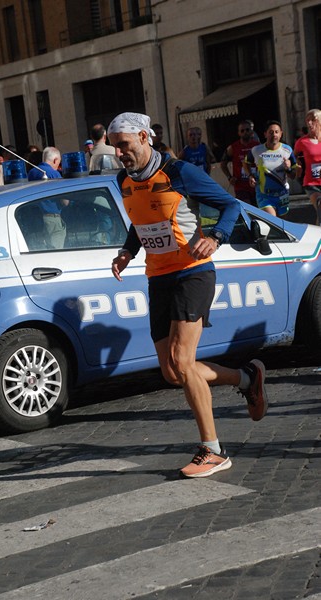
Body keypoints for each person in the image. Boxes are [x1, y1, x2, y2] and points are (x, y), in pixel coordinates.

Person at [108, 112, 268, 478]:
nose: (120, 154)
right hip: (157, 277)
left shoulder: (179, 172)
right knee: (171, 371)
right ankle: (246, 379)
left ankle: (212, 449)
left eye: (125, 146)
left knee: (183, 359)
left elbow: (230, 205)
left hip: (193, 273)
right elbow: (141, 221)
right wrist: (127, 251)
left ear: (145, 139)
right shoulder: (124, 179)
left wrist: (215, 237)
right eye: (116, 147)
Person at [244, 120, 296, 217]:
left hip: (282, 194)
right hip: (264, 194)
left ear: (281, 134)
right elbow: (246, 162)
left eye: (276, 132)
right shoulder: (256, 150)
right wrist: (250, 175)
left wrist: (288, 168)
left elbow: (293, 175)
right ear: (265, 134)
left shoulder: (287, 150)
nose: (274, 135)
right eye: (271, 132)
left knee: (282, 225)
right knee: (273, 221)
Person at [221, 120, 260, 204]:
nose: (245, 132)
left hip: (256, 185)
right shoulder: (233, 147)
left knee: (258, 211)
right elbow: (223, 163)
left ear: (251, 131)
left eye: (247, 130)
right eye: (242, 131)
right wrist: (229, 177)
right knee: (247, 208)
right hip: (241, 186)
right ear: (239, 133)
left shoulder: (257, 146)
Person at [294, 108, 321, 224]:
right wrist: (297, 164)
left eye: (313, 120)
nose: (309, 123)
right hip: (312, 183)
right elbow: (293, 156)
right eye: (307, 121)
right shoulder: (302, 142)